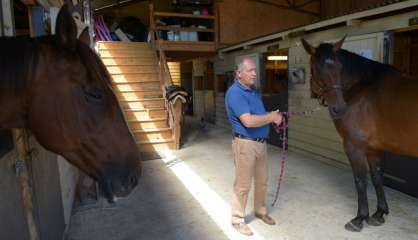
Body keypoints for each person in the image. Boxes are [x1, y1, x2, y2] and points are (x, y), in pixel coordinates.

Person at [225, 58, 283, 236]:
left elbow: (258, 115)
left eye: (255, 71)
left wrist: (272, 117)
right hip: (245, 144)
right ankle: (237, 219)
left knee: (262, 181)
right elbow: (248, 121)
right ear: (239, 73)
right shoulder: (235, 93)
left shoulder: (253, 91)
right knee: (242, 185)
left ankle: (260, 210)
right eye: (250, 70)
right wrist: (271, 117)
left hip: (260, 144)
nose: (254, 74)